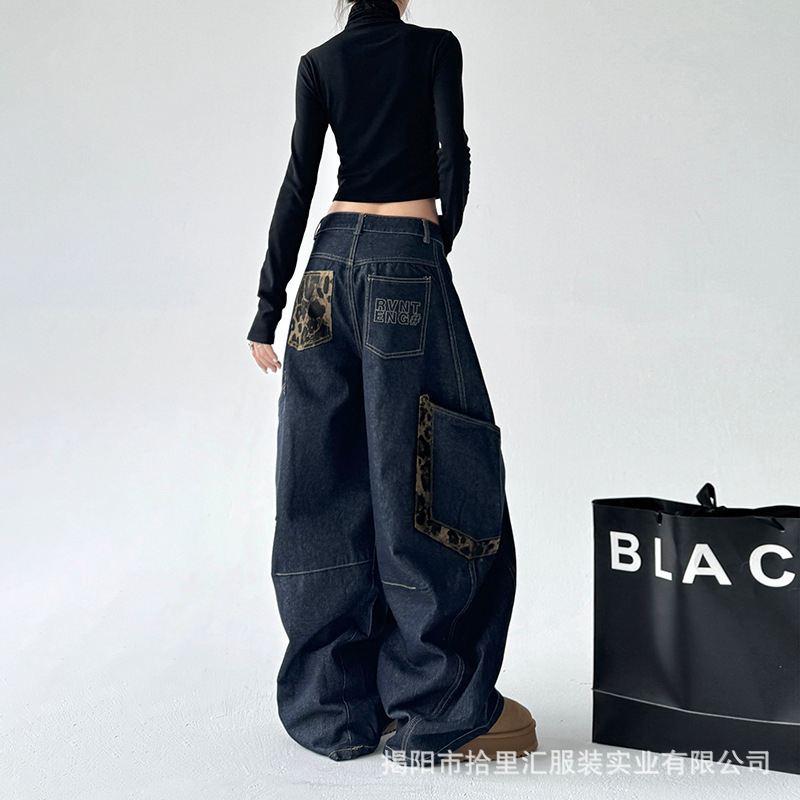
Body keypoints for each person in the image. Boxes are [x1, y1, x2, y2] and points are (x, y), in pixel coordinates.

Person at [246, 0, 538, 766]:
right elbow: (452, 154)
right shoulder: (435, 46)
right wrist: (436, 242)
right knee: (433, 468)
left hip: (324, 269)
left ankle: (336, 707)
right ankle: (438, 708)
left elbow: (298, 180)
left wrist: (267, 308)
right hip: (404, 258)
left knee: (323, 477)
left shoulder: (319, 63)